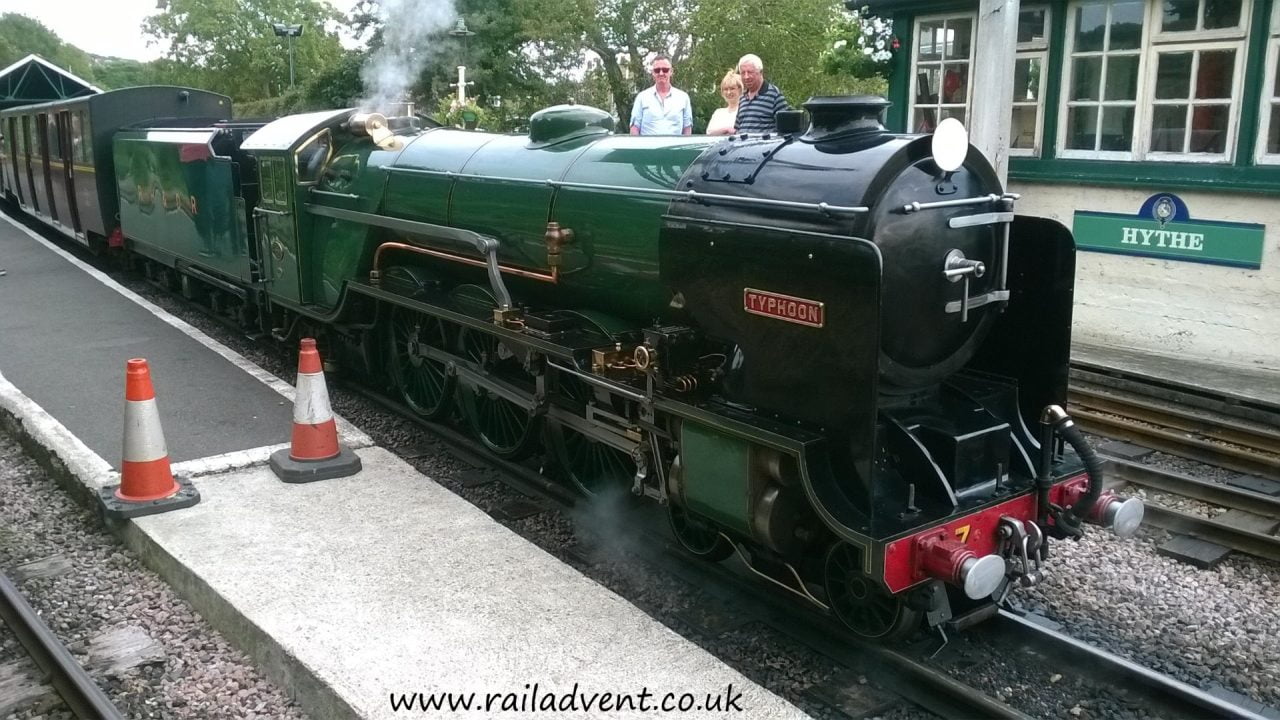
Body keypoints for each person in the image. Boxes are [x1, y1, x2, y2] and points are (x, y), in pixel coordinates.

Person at [629, 55, 693, 136]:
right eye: (657, 70)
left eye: (665, 70)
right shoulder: (642, 97)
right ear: (652, 73)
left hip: (674, 148)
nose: (661, 73)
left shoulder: (683, 98)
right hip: (647, 148)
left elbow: (687, 129)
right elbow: (634, 128)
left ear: (671, 72)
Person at [734, 54, 791, 135]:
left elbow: (786, 130)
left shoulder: (774, 95)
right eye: (743, 73)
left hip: (766, 147)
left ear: (760, 72)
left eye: (750, 72)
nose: (746, 77)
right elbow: (737, 129)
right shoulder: (742, 98)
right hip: (743, 147)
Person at [706, 70, 743, 136]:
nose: (729, 92)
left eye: (732, 88)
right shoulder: (718, 112)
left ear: (740, 89)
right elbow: (709, 133)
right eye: (726, 89)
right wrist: (726, 129)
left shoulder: (745, 111)